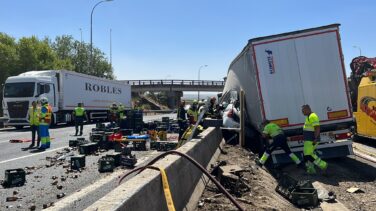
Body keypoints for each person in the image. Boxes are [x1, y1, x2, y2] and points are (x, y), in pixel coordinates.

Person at [301, 104, 328, 174]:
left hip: (311, 139)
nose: (302, 112)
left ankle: (323, 164)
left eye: (303, 111)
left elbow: (317, 127)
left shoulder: (312, 116)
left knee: (308, 155)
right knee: (307, 155)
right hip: (308, 139)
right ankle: (311, 170)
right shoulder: (309, 116)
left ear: (307, 109)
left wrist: (315, 138)